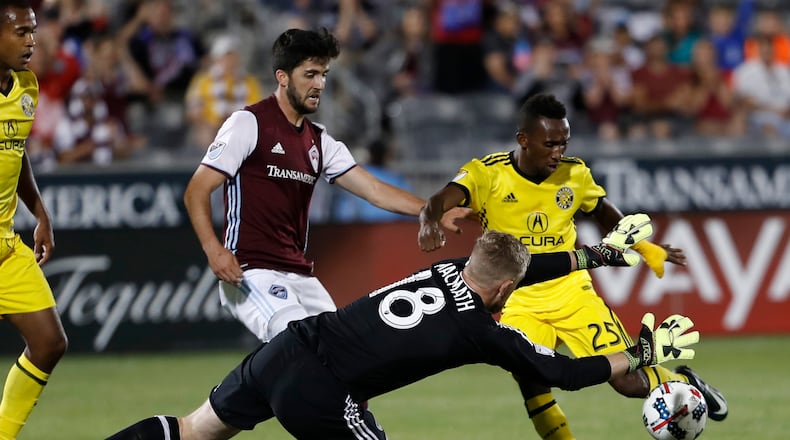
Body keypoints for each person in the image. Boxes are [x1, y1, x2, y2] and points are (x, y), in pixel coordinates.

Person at [104, 226, 700, 440]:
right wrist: (636, 356)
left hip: (286, 350)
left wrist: (599, 255)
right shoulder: (480, 329)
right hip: (323, 391)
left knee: (192, 431)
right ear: (501, 293)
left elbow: (522, 269)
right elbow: (560, 373)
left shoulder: (445, 270)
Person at [418, 94, 728, 439]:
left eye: (563, 143)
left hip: (571, 292)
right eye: (550, 144)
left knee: (625, 380)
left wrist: (641, 245)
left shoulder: (574, 174)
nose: (558, 152)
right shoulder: (486, 173)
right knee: (531, 379)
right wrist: (429, 220)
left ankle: (686, 383)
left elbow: (603, 210)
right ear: (524, 140)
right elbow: (436, 201)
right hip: (517, 301)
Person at [182, 28, 469, 344]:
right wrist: (214, 250)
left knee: (348, 361)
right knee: (301, 344)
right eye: (310, 75)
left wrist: (431, 212)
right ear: (283, 77)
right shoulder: (248, 123)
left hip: (300, 275)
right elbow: (197, 189)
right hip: (250, 270)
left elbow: (373, 189)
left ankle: (227, 397)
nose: (319, 84)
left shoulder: (320, 140)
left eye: (324, 74)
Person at [0, 1, 69, 438]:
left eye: (33, 31)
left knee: (48, 342)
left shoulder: (26, 86)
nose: (31, 41)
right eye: (21, 32)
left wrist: (39, 212)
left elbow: (17, 150)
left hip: (6, 246)